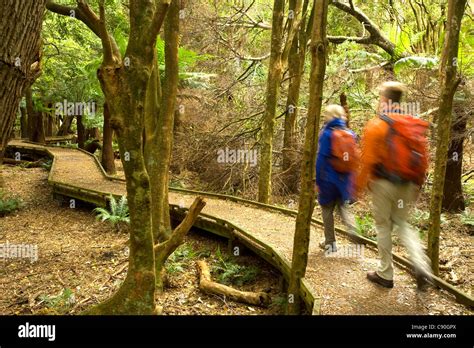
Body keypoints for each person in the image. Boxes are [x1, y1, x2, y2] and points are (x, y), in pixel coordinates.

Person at [355, 81, 432, 290]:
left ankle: (385, 274)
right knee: (402, 223)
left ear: (385, 100)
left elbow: (368, 159)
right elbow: (423, 158)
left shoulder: (377, 125)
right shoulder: (411, 124)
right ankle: (421, 265)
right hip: (407, 184)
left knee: (383, 226)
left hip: (383, 183)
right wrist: (416, 186)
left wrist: (359, 186)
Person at [315, 105, 358, 254]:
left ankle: (330, 243)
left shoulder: (327, 134)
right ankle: (353, 230)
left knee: (327, 210)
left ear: (330, 117)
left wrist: (318, 180)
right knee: (343, 207)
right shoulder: (350, 134)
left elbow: (321, 159)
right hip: (344, 180)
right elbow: (353, 161)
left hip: (328, 180)